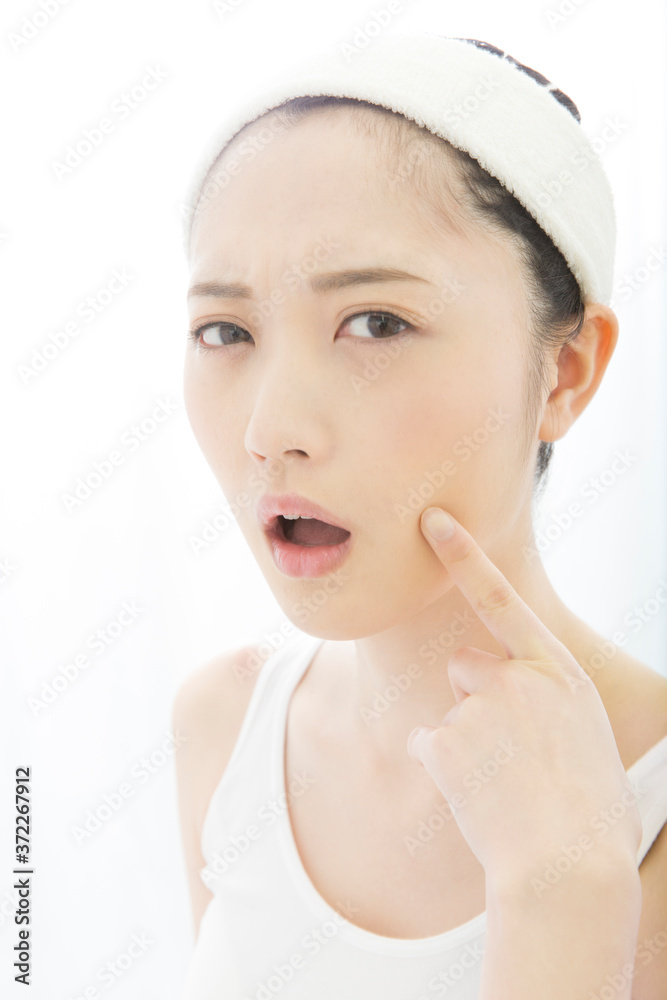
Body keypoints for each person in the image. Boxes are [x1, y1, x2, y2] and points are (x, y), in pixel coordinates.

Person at [173, 31, 667, 999]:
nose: (270, 432)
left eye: (376, 323)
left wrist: (563, 907)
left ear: (565, 371)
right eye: (224, 331)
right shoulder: (222, 725)